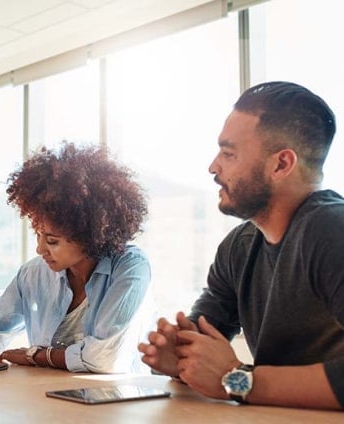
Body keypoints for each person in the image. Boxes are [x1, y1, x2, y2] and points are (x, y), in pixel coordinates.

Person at [138, 81, 344, 410]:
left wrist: (237, 379)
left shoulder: (332, 229)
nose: (213, 167)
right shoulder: (239, 247)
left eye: (229, 154)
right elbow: (201, 347)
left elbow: (226, 377)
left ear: (281, 165)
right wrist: (178, 356)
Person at [0, 142, 156, 373]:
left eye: (52, 241)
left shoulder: (131, 268)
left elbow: (105, 358)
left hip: (119, 401)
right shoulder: (34, 274)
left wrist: (35, 355)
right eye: (38, 235)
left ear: (89, 235)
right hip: (47, 400)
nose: (40, 249)